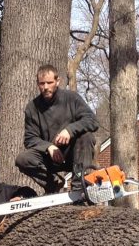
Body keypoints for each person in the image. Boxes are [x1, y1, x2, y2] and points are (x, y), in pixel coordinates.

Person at [15, 64, 100, 194]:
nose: (46, 87)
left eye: (49, 82)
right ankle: (52, 185)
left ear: (58, 81)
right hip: (50, 157)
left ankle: (78, 186)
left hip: (75, 155)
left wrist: (70, 130)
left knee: (86, 136)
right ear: (37, 84)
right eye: (42, 83)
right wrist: (48, 147)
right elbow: (30, 139)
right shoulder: (32, 108)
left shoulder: (72, 98)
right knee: (23, 159)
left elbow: (92, 120)